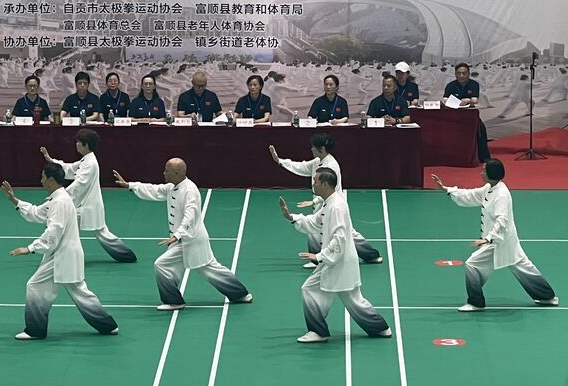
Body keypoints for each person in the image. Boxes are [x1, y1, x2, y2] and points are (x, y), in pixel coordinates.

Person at [113, 159, 253, 310]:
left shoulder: (190, 191)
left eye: (167, 170)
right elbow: (154, 190)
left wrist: (177, 235)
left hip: (191, 239)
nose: (163, 173)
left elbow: (190, 216)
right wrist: (130, 185)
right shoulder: (172, 187)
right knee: (203, 269)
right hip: (182, 239)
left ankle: (176, 301)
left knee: (195, 268)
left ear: (177, 173)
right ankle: (239, 294)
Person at [2, 165, 119, 340]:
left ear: (50, 180)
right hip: (65, 254)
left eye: (43, 177)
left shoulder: (59, 202)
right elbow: (36, 213)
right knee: (79, 291)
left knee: (35, 286)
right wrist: (15, 201)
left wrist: (30, 248)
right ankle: (108, 326)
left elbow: (54, 231)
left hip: (61, 255)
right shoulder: (57, 199)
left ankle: (35, 330)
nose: (41, 180)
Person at [279, 168, 392, 343]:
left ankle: (322, 331)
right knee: (324, 292)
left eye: (316, 181)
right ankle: (379, 328)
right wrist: (291, 217)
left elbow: (339, 240)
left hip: (339, 262)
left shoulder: (336, 207)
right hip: (335, 261)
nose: (313, 184)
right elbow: (315, 222)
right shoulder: (329, 203)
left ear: (325, 184)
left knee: (349, 298)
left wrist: (319, 257)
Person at [432, 160, 558, 312]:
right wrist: (446, 189)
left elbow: (501, 220)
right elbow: (471, 195)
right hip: (503, 241)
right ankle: (547, 297)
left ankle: (476, 303)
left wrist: (488, 238)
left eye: (484, 170)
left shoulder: (501, 195)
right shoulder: (489, 188)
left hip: (499, 240)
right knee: (523, 267)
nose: (481, 173)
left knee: (472, 264)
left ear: (491, 174)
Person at [269, 134, 382, 266]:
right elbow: (301, 167)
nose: (311, 149)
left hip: (334, 205)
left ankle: (372, 255)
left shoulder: (331, 166)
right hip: (321, 203)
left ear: (322, 149)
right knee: (314, 230)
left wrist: (314, 201)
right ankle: (316, 259)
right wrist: (280, 161)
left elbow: (331, 189)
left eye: (314, 147)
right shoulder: (317, 161)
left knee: (347, 233)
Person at [40, 129, 137, 263]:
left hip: (87, 207)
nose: (76, 144)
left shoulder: (90, 163)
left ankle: (54, 256)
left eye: (79, 142)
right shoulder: (86, 160)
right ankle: (126, 255)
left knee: (62, 225)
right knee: (101, 233)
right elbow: (69, 169)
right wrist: (51, 160)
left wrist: (59, 196)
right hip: (87, 207)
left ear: (86, 145)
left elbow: (78, 185)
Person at [443, 62, 491, 162]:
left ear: (468, 73)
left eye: (464, 73)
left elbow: (475, 100)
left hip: (470, 115)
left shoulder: (474, 84)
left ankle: (484, 157)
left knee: (481, 130)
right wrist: (446, 101)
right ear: (455, 74)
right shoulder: (450, 85)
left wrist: (468, 100)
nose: (461, 76)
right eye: (459, 73)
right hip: (453, 115)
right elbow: (445, 99)